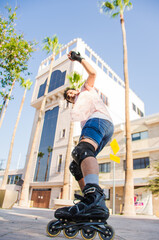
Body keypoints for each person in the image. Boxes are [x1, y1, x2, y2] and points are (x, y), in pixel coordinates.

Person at [55, 51, 114, 222]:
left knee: (82, 151)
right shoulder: (80, 113)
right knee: (76, 166)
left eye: (71, 93)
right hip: (101, 126)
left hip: (99, 120)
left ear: (76, 89)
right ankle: (92, 204)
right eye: (69, 97)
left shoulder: (85, 89)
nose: (71, 95)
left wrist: (78, 58)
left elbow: (93, 73)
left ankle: (93, 198)